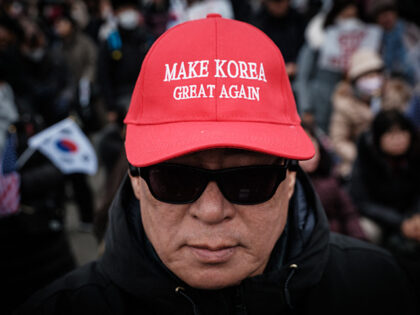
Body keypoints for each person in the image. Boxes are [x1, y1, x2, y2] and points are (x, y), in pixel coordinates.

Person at [16, 14, 417, 314]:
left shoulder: (375, 287)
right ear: (136, 181)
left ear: (291, 178)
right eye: (173, 179)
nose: (211, 211)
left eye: (250, 180)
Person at [349, 109, 420, 297]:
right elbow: (360, 200)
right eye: (390, 133)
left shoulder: (416, 151)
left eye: (402, 132)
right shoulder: (366, 154)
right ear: (378, 137)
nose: (398, 139)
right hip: (380, 216)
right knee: (366, 230)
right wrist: (400, 222)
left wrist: (415, 218)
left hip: (413, 216)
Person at [329, 48, 411, 179]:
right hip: (361, 162)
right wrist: (361, 156)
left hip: (397, 156)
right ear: (355, 81)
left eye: (375, 75)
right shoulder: (345, 105)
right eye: (366, 76)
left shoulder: (397, 96)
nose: (372, 80)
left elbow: (408, 129)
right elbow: (339, 140)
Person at [300, 124, 367, 241]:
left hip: (338, 239)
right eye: (301, 146)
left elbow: (349, 213)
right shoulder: (290, 186)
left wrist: (360, 240)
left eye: (312, 144)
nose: (310, 155)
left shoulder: (330, 177)